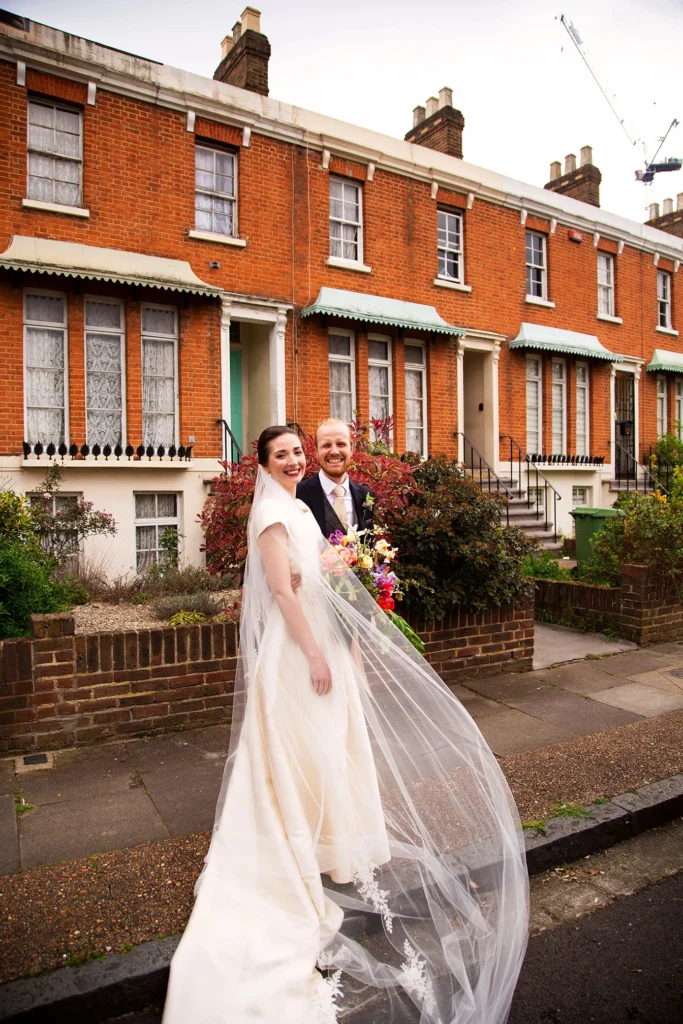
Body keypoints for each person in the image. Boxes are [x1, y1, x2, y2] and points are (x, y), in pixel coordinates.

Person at [162, 425, 529, 1024]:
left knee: (331, 745)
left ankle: (334, 843)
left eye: (296, 453)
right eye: (281, 455)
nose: (293, 461)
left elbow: (316, 567)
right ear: (262, 463)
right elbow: (282, 593)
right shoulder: (270, 517)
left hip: (323, 640)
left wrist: (337, 569)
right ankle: (303, 843)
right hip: (298, 648)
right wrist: (311, 653)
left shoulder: (295, 506)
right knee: (300, 748)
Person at [296, 418, 374, 537]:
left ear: (351, 449)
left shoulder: (365, 496)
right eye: (326, 445)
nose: (334, 451)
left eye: (341, 444)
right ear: (316, 451)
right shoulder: (298, 494)